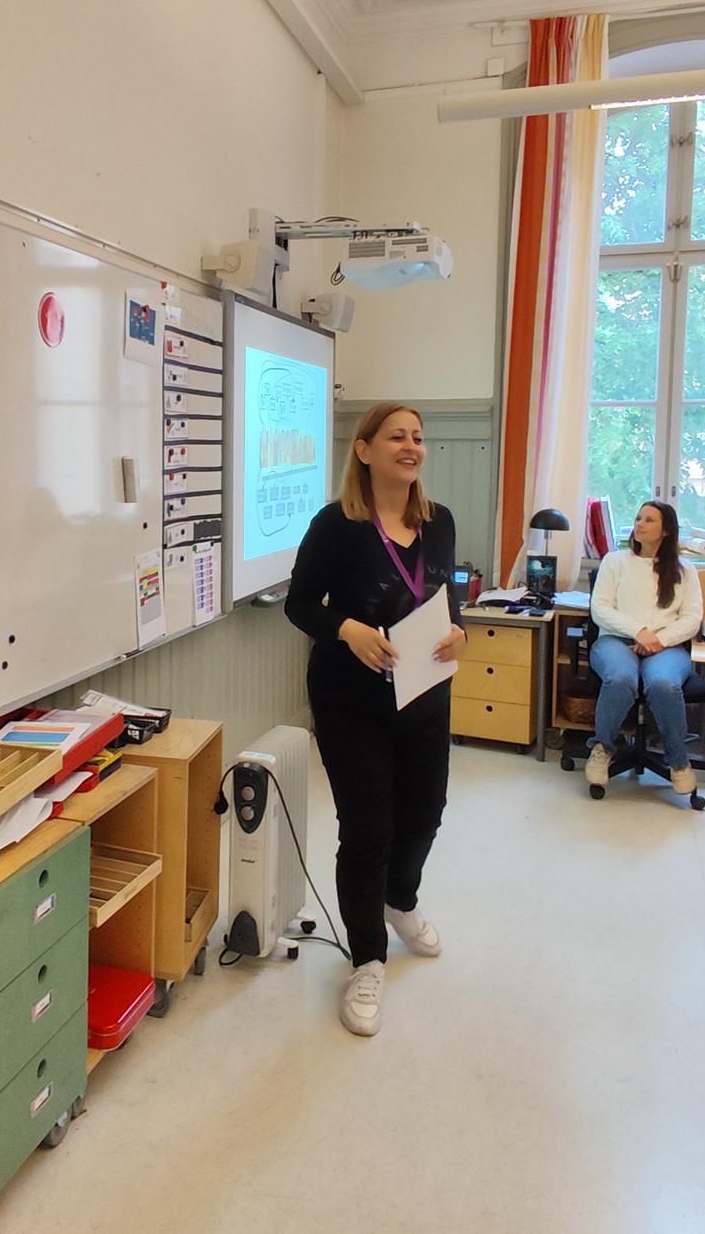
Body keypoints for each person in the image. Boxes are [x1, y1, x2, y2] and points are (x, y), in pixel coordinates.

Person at [285, 402, 466, 1037]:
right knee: (368, 831)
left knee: (426, 813)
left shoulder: (439, 521)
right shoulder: (336, 525)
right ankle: (367, 960)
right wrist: (346, 628)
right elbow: (299, 604)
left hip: (425, 693)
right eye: (396, 436)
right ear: (364, 450)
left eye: (418, 436)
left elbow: (446, 596)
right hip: (351, 701)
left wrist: (459, 632)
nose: (412, 446)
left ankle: (399, 901)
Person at [585, 501, 703, 794]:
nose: (639, 524)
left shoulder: (685, 570)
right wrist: (639, 632)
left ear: (666, 531)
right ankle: (602, 748)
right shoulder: (614, 561)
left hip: (666, 646)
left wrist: (657, 640)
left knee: (663, 684)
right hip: (616, 640)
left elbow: (692, 619)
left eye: (649, 520)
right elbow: (600, 609)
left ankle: (678, 761)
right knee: (621, 678)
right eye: (638, 518)